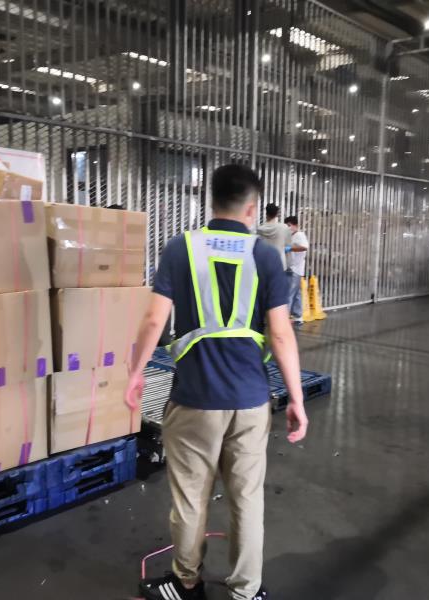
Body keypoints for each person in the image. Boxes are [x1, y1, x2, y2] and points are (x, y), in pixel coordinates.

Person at [126, 164, 309, 600]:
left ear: (211, 201)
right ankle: (246, 591)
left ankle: (187, 584)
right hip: (250, 401)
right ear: (252, 208)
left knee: (191, 497)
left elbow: (154, 320)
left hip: (194, 399)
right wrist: (296, 399)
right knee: (247, 499)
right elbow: (281, 333)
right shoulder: (266, 256)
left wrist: (134, 373)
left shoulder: (180, 248)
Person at [284, 216, 309, 325]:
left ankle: (284, 319)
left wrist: (290, 248)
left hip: (295, 269)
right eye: (286, 226)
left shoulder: (299, 235)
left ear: (296, 225)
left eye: (289, 225)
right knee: (296, 294)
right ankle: (298, 317)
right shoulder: (291, 236)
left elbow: (304, 247)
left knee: (289, 293)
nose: (288, 228)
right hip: (293, 268)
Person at [256, 204, 291, 270]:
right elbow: (288, 246)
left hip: (264, 264)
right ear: (277, 214)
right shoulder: (284, 227)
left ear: (266, 214)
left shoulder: (260, 229)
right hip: (280, 264)